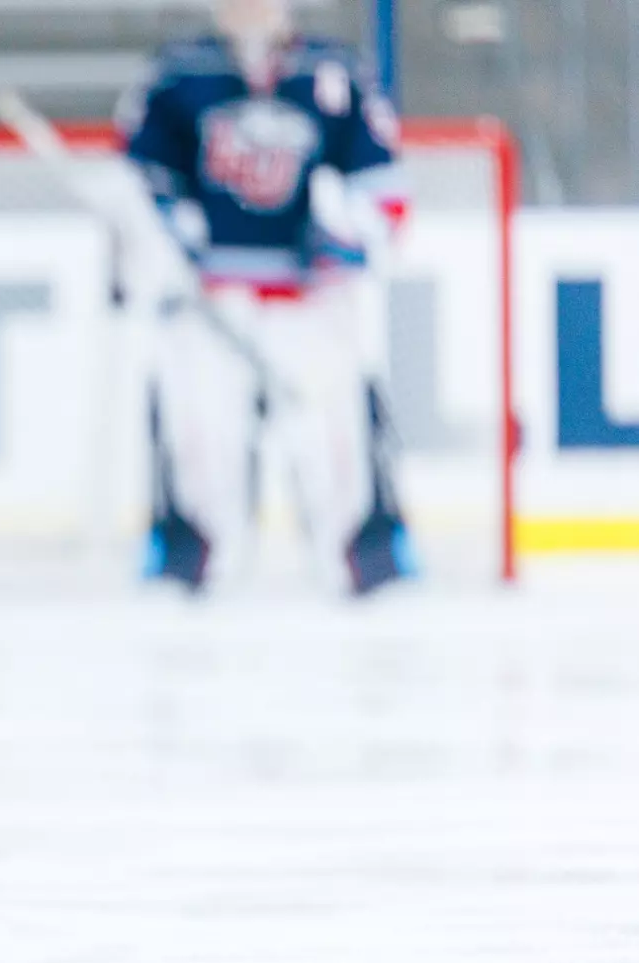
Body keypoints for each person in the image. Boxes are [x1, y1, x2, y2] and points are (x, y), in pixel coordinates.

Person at [117, 0, 412, 596]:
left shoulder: (336, 72)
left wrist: (347, 233)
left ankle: (360, 564)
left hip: (309, 301)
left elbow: (384, 186)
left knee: (335, 446)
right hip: (210, 300)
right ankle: (193, 570)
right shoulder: (178, 75)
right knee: (202, 442)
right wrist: (165, 238)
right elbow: (140, 180)